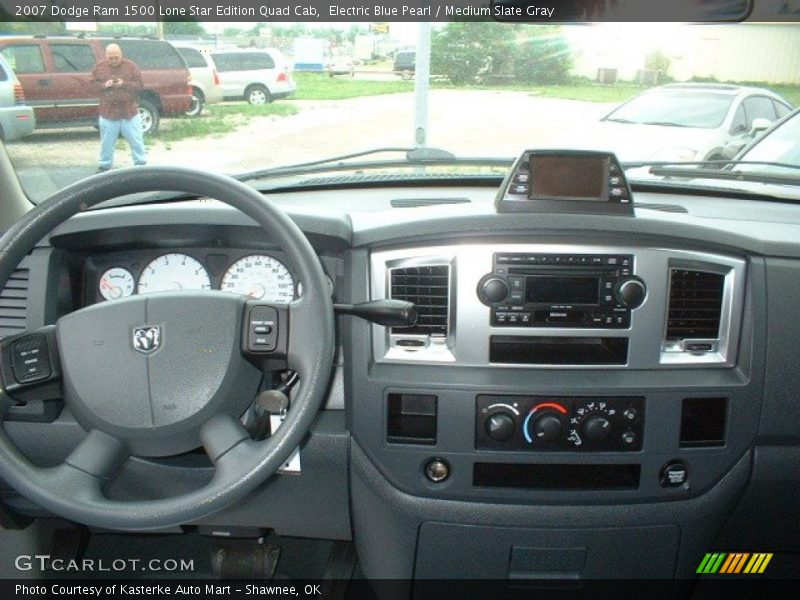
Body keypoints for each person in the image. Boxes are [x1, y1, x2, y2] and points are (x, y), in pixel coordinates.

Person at [88, 44, 147, 173]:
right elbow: (91, 85)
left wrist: (123, 84)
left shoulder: (131, 66)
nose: (114, 60)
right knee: (107, 143)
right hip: (108, 113)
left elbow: (140, 86)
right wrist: (104, 85)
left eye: (116, 57)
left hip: (129, 112)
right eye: (111, 58)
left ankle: (141, 165)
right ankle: (105, 166)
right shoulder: (99, 67)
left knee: (136, 141)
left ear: (121, 55)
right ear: (106, 56)